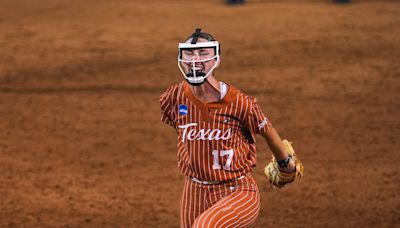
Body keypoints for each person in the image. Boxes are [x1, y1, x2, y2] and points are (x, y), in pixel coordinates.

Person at [159, 28, 298, 227]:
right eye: (189, 53)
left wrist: (285, 162)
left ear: (216, 59)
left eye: (203, 53)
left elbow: (266, 130)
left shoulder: (238, 102)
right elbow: (181, 130)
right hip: (193, 191)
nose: (195, 60)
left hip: (237, 190)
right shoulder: (174, 97)